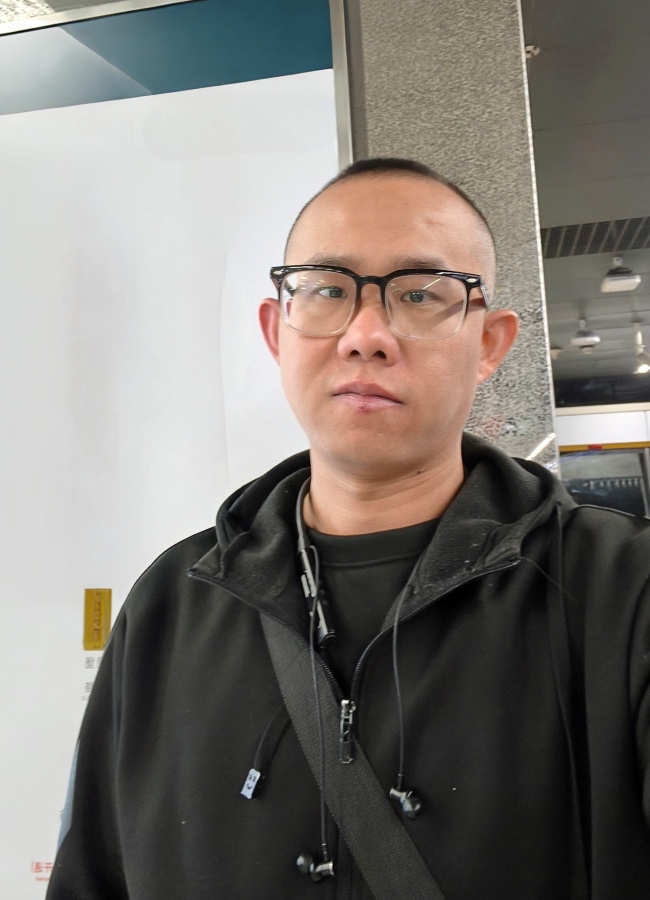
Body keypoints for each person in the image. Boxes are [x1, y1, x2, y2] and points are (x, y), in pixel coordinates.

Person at [47, 158, 650, 900]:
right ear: (277, 331)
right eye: (329, 290)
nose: (366, 335)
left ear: (490, 343)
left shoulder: (622, 594)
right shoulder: (172, 602)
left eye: (420, 294)